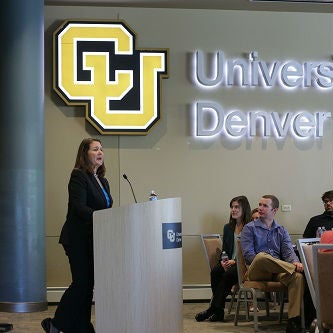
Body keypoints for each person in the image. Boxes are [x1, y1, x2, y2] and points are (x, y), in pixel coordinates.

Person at [41, 138, 113, 333]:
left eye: (101, 149)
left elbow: (107, 207)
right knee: (81, 283)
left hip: (94, 239)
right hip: (78, 238)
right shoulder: (78, 176)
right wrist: (103, 218)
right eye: (95, 149)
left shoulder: (103, 180)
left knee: (88, 285)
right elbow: (79, 207)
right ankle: (55, 324)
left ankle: (82, 326)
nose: (100, 152)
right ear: (84, 153)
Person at [241, 195, 304, 333]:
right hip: (257, 270)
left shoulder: (281, 230)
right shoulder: (249, 228)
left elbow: (289, 253)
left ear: (274, 211)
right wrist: (295, 266)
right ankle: (293, 268)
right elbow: (248, 256)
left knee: (297, 277)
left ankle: (293, 321)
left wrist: (295, 262)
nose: (260, 208)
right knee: (261, 256)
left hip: (277, 271)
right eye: (259, 204)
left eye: (265, 206)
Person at [195, 195, 252, 322]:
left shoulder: (250, 227)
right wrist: (224, 261)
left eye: (237, 207)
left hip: (244, 265)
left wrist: (235, 261)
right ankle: (219, 311)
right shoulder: (228, 227)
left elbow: (251, 252)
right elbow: (225, 250)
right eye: (232, 207)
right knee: (215, 271)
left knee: (226, 276)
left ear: (244, 209)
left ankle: (213, 309)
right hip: (230, 263)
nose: (233, 210)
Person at [302, 191, 333, 329]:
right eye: (326, 201)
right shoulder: (316, 221)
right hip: (319, 265)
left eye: (331, 201)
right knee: (307, 280)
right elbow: (304, 243)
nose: (328, 204)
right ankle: (313, 320)